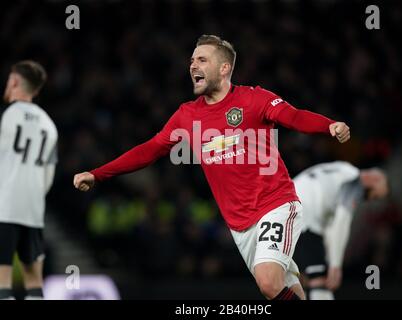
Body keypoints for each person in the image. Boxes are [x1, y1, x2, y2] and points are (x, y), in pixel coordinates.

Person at [73, 35, 350, 300]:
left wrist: (329, 125)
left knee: (268, 283)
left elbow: (294, 116)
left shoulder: (255, 99)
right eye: (192, 60)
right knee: (281, 289)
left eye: (202, 60)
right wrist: (97, 174)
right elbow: (149, 149)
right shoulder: (187, 115)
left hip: (275, 204)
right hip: (239, 224)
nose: (193, 65)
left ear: (224, 67)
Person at [0, 61, 58, 300]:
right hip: (33, 210)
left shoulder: (6, 116)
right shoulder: (49, 124)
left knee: (2, 283)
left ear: (14, 81)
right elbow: (48, 175)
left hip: (5, 207)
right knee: (34, 281)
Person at [292, 161, 388, 300]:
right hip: (303, 216)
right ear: (374, 179)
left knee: (299, 281)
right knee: (320, 281)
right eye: (374, 195)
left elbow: (331, 227)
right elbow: (342, 220)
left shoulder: (342, 169)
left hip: (287, 206)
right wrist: (335, 266)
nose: (370, 199)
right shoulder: (354, 181)